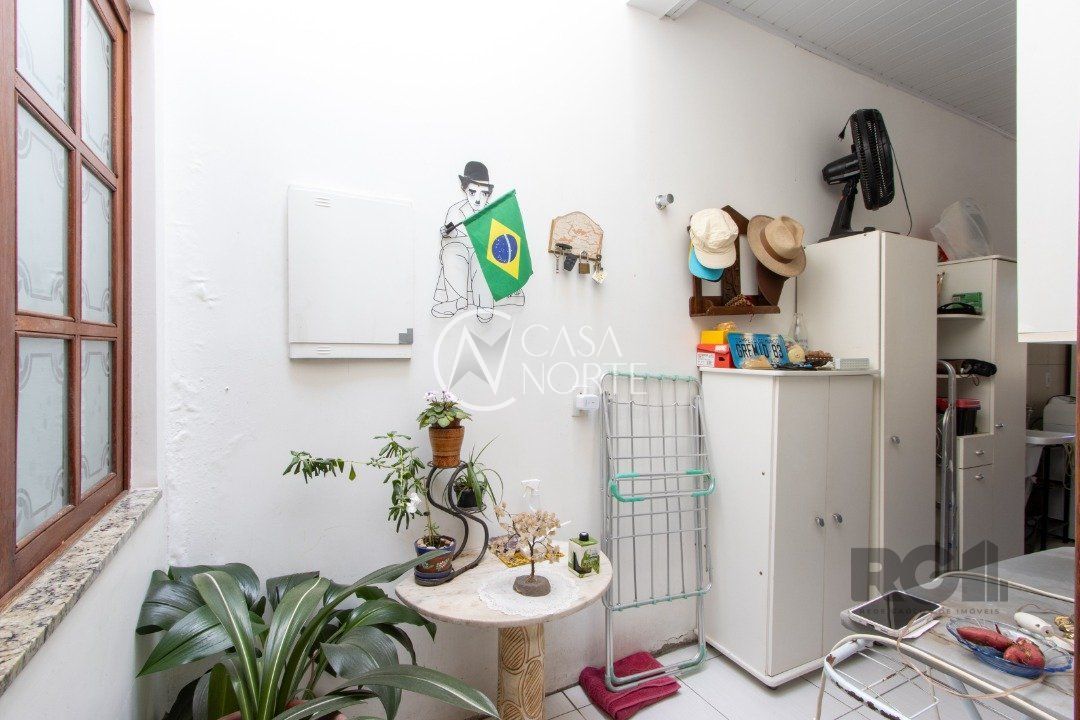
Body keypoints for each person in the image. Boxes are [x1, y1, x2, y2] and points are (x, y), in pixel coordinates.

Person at [433, 161, 495, 321]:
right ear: (465, 189)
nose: (477, 199)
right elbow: (447, 239)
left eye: (483, 194)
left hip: (482, 251)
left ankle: (485, 305)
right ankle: (456, 300)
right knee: (451, 251)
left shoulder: (493, 214)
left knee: (483, 258)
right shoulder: (455, 211)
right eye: (472, 192)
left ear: (488, 194)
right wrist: (447, 233)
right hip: (460, 249)